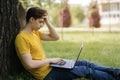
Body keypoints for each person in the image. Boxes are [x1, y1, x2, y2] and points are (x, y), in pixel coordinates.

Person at [15, 7, 120, 80]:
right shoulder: (22, 38)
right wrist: (51, 60)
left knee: (85, 63)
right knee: (85, 70)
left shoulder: (35, 33)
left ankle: (116, 72)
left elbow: (55, 37)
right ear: (32, 20)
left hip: (50, 66)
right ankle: (113, 78)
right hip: (45, 74)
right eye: (40, 22)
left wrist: (47, 22)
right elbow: (30, 65)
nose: (42, 25)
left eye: (43, 22)